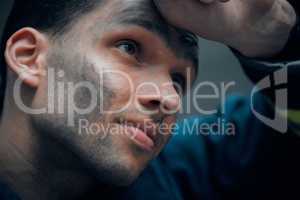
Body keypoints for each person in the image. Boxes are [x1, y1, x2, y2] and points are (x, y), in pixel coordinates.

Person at [0, 0, 298, 200]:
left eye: (178, 80)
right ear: (29, 57)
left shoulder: (190, 173)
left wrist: (270, 33)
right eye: (130, 48)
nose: (169, 99)